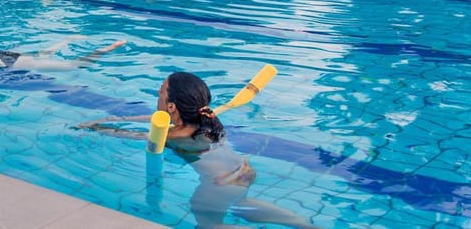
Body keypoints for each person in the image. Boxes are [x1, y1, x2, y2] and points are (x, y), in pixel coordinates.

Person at [75, 72, 315, 229]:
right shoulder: (205, 119)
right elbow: (157, 118)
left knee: (209, 225)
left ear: (170, 106)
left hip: (219, 185)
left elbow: (135, 135)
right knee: (240, 203)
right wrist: (122, 116)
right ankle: (304, 224)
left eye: (160, 91)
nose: (157, 94)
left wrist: (98, 128)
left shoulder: (173, 136)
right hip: (243, 171)